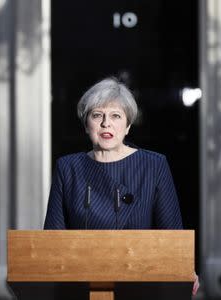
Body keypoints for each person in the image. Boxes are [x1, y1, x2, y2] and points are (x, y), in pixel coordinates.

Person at [43, 77, 199, 296]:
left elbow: (172, 235)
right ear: (86, 125)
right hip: (81, 288)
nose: (106, 123)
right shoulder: (68, 168)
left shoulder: (154, 166)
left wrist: (184, 267)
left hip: (141, 286)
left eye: (116, 116)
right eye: (97, 115)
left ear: (127, 126)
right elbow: (51, 243)